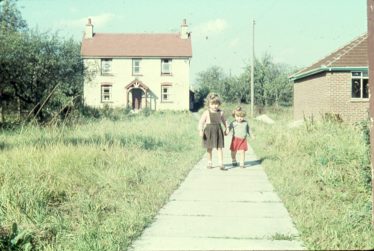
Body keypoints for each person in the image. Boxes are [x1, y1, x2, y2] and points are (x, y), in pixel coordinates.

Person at [198, 93, 228, 170]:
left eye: (217, 104)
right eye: (213, 104)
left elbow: (225, 121)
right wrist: (201, 131)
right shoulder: (206, 112)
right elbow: (201, 122)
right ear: (208, 104)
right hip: (209, 132)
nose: (215, 106)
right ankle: (209, 162)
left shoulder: (221, 112)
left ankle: (221, 163)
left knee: (219, 148)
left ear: (219, 104)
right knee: (209, 148)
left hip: (218, 131)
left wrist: (227, 128)